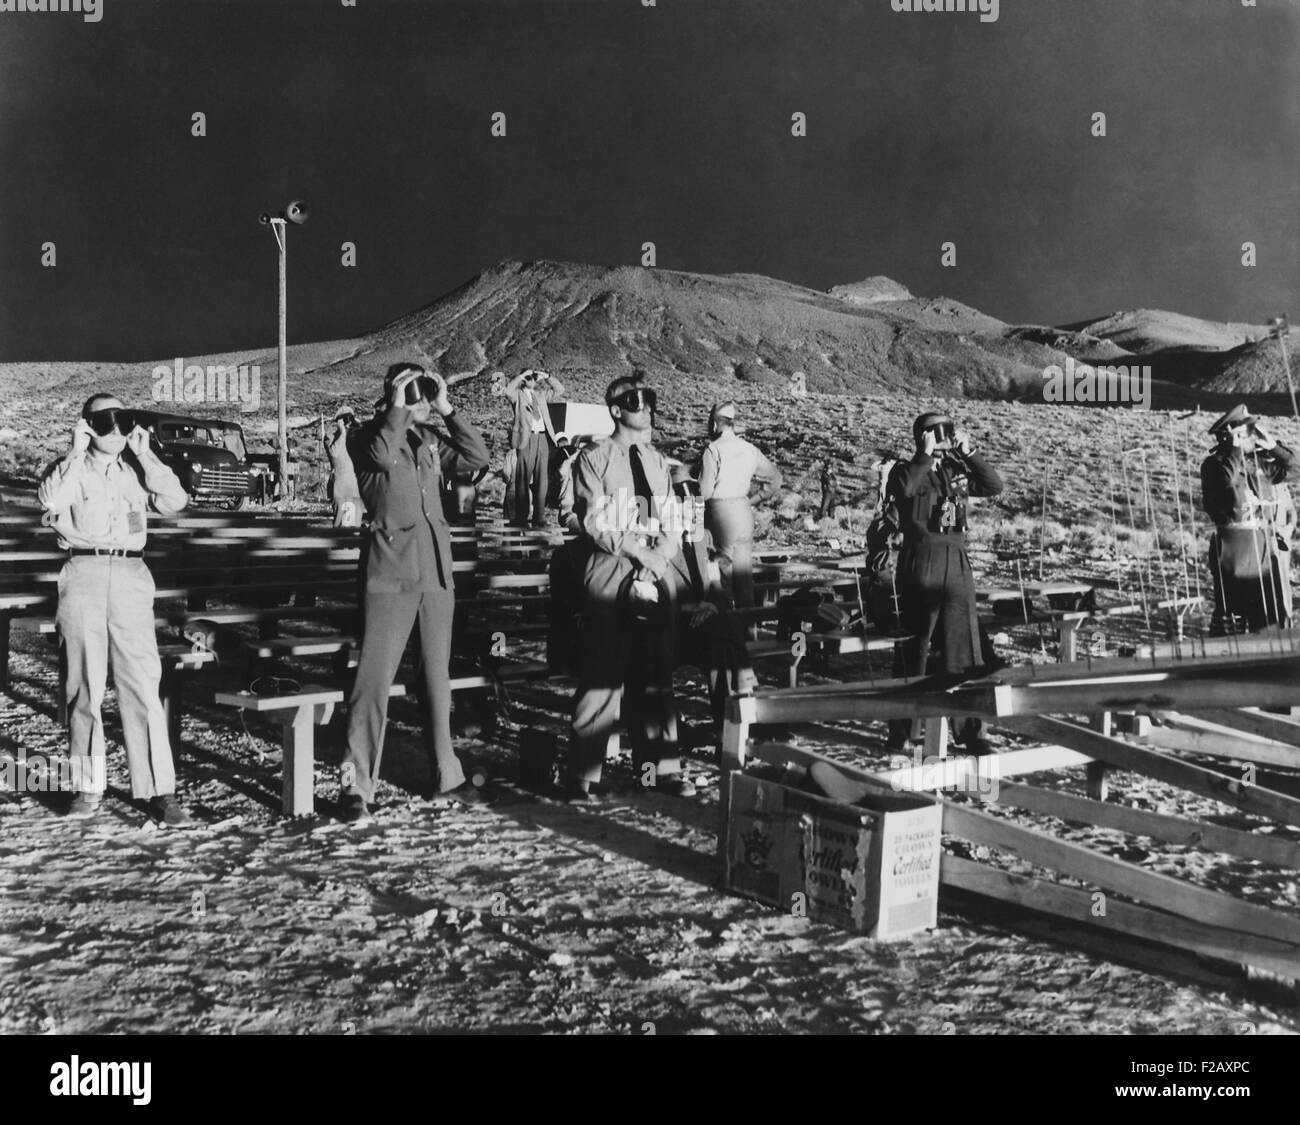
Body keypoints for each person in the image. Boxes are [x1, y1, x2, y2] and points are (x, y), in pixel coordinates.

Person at [338, 363, 492, 823]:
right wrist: (398, 406)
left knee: (436, 680)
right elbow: (383, 457)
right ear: (390, 393)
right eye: (413, 388)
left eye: (424, 388)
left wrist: (445, 406)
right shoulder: (369, 436)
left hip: (435, 576)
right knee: (373, 681)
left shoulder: (427, 441)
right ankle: (355, 784)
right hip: (390, 575)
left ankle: (448, 775)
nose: (421, 396)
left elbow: (477, 457)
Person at [37, 393, 194, 825]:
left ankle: (157, 789)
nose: (116, 430)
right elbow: (51, 502)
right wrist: (74, 451)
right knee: (83, 685)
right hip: (84, 574)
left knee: (143, 684)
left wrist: (147, 457)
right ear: (87, 424)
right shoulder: (67, 470)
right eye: (104, 421)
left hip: (130, 577)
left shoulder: (136, 473)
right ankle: (87, 787)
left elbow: (175, 500)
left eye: (122, 420)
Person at [563, 371, 692, 801]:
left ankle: (657, 772)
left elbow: (674, 517)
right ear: (616, 410)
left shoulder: (657, 462)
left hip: (656, 574)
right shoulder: (595, 458)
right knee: (602, 672)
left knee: (654, 677)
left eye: (650, 400)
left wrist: (660, 559)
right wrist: (640, 555)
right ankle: (582, 774)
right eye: (637, 401)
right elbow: (595, 521)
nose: (647, 408)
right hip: (611, 572)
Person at [884, 412, 1004, 753]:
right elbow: (904, 488)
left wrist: (969, 452)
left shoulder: (955, 470)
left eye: (947, 431)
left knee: (963, 649)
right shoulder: (905, 470)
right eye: (938, 432)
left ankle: (969, 732)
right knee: (915, 650)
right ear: (922, 436)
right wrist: (924, 454)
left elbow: (994, 486)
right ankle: (904, 730)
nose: (944, 437)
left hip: (957, 562)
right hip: (921, 561)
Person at [665, 461, 755, 740]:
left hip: (702, 626)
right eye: (683, 500)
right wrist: (690, 608)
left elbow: (717, 585)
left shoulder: (704, 538)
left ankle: (726, 727)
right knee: (726, 633)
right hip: (670, 628)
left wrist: (712, 605)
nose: (691, 507)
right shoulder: (656, 541)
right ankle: (739, 712)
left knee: (722, 644)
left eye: (695, 499)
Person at [1200, 404, 1294, 634]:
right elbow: (1226, 480)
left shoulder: (1254, 463)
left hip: (1261, 546)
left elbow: (1295, 469)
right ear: (1231, 435)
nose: (1253, 435)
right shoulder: (1215, 464)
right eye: (1248, 430)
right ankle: (1226, 664)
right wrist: (1234, 446)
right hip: (1234, 550)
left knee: (1268, 612)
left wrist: (1273, 447)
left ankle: (1269, 658)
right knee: (1233, 617)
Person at [697, 402, 783, 609]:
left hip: (720, 512)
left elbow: (704, 492)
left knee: (722, 572)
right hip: (744, 512)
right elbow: (776, 479)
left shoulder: (713, 450)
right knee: (744, 579)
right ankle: (749, 631)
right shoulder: (749, 449)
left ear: (715, 424)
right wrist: (754, 499)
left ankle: (727, 629)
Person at [504, 368, 566, 528]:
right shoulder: (517, 395)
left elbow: (560, 389)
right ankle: (522, 517)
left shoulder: (541, 394)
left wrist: (546, 376)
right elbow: (508, 390)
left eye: (533, 377)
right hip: (526, 438)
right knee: (523, 478)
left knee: (542, 480)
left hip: (543, 438)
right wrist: (520, 376)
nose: (531, 380)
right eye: (528, 378)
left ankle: (539, 517)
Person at [325, 409, 363, 529]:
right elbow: (334, 453)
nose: (348, 423)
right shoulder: (329, 437)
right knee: (340, 526)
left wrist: (359, 426)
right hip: (340, 489)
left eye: (349, 419)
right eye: (345, 419)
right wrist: (342, 433)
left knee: (355, 527)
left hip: (356, 489)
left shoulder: (356, 437)